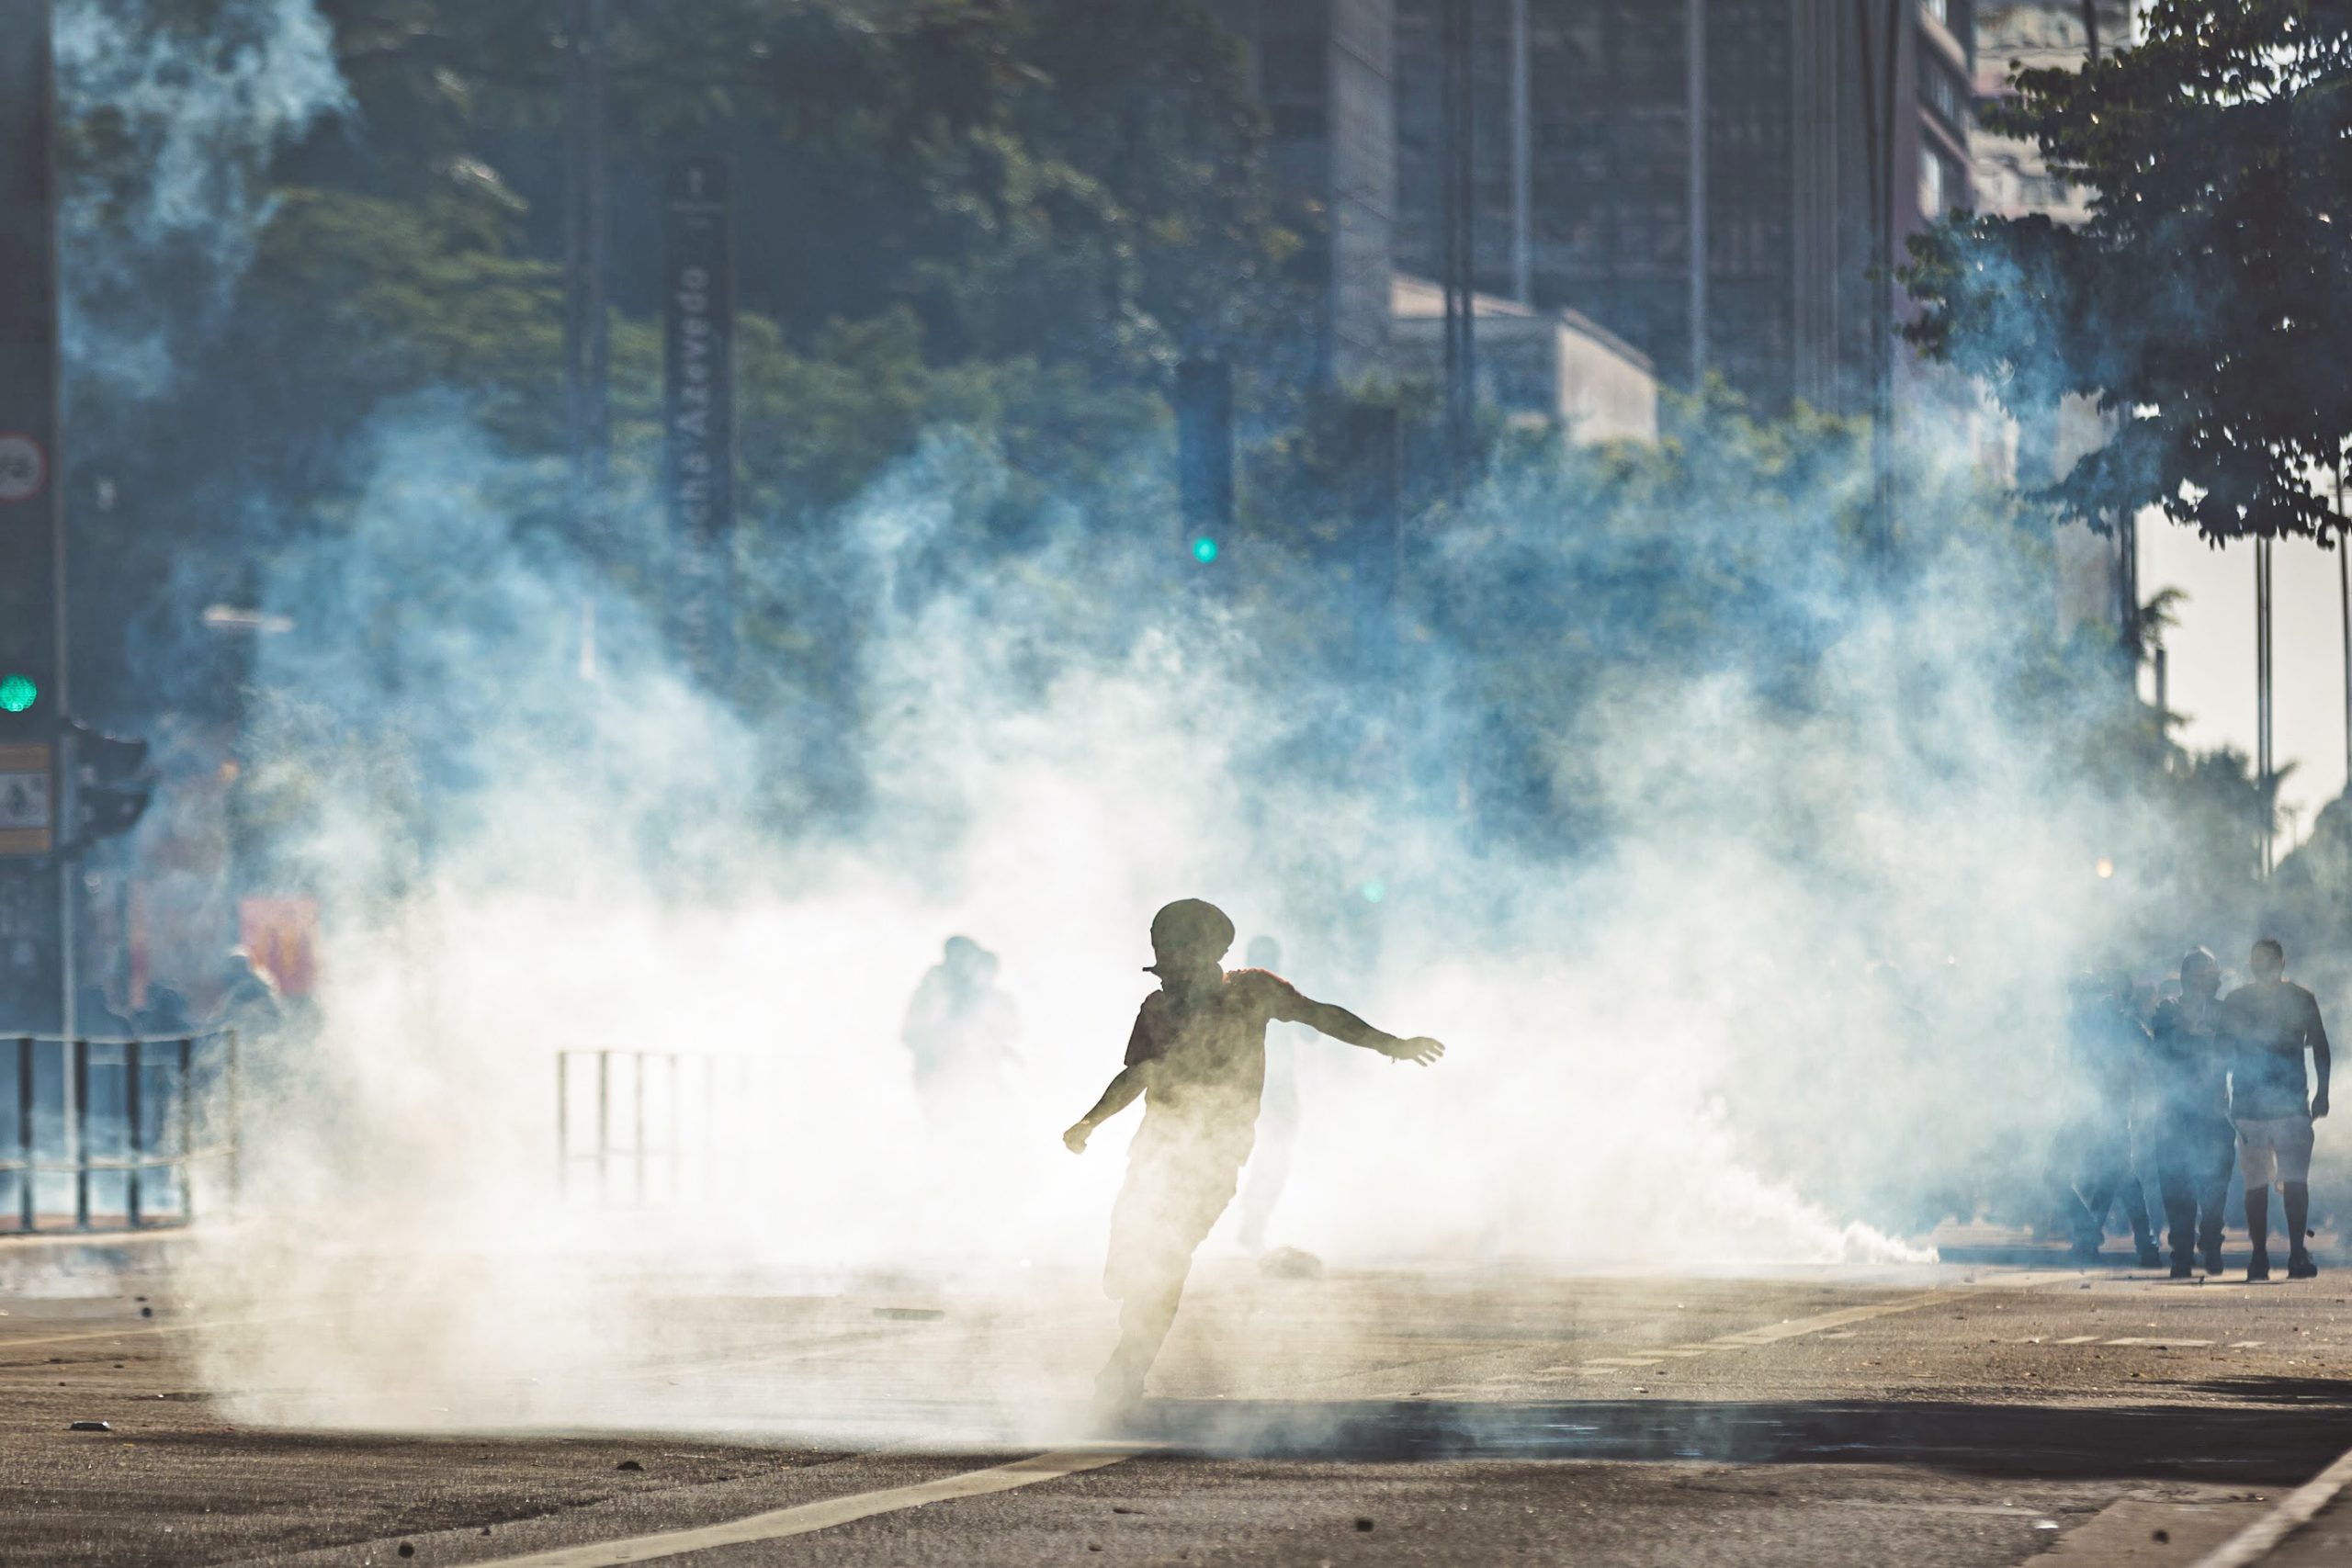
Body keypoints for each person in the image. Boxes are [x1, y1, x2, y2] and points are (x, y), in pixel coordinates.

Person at [1063, 898, 1444, 1411]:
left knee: (1168, 1260)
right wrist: (1091, 1120)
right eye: (1162, 954)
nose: (1167, 968)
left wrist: (1389, 1044)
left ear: (1211, 950)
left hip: (1217, 1151)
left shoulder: (1253, 990)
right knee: (1130, 1254)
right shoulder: (1157, 1009)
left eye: (1176, 952)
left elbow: (1320, 1016)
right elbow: (1138, 1075)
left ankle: (1127, 1368)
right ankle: (1131, 1323)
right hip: (1157, 1146)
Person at [2222, 938, 2332, 1280]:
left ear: (2281, 962)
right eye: (2258, 960)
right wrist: (2321, 1094)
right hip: (2269, 1106)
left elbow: (2321, 1049)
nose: (2261, 966)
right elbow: (2221, 1052)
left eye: (2264, 960)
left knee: (2270, 1184)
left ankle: (2268, 1257)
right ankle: (2285, 1255)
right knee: (2278, 1183)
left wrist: (2323, 1093)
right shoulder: (2292, 998)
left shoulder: (2249, 1000)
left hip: (2273, 1106)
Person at [2057, 965, 2161, 1267]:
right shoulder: (2083, 1022)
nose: (2077, 999)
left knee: (2118, 1177)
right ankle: (2126, 1241)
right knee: (2116, 1177)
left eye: (2084, 992)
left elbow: (2149, 1053)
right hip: (2086, 1110)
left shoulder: (2118, 1022)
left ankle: (2098, 1238)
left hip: (2110, 1110)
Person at [2147, 949, 2234, 1278]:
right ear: (2184, 977)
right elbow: (2163, 1051)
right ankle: (2181, 1253)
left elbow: (2234, 1053)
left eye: (2207, 973)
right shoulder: (2167, 1011)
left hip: (2213, 1111)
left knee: (2215, 1186)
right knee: (2175, 1185)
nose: (2201, 980)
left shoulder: (2224, 1013)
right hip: (2174, 1113)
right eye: (2195, 973)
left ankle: (2211, 1241)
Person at [899, 935, 1021, 1128]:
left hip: (980, 1078)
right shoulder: (931, 992)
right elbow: (910, 1034)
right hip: (940, 1079)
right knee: (948, 1129)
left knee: (989, 1128)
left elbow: (1012, 1030)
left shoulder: (987, 995)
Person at [1235, 934, 1301, 1257]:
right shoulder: (1233, 992)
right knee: (1248, 1155)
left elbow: (1309, 1032)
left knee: (1275, 1158)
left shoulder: (1282, 992)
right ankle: (1252, 1221)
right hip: (1251, 1086)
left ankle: (1254, 1221)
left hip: (1277, 1090)